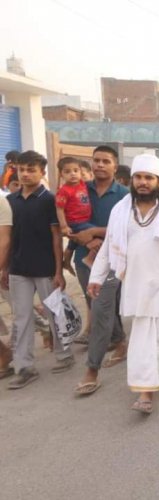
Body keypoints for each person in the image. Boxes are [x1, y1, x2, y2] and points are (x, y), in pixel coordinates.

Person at [87, 154, 159, 412]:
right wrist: (97, 277)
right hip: (136, 285)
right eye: (138, 177)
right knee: (143, 339)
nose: (143, 183)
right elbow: (108, 247)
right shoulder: (121, 210)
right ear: (132, 180)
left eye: (149, 178)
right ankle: (146, 391)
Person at [5, 151, 73, 389]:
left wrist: (58, 271)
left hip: (45, 268)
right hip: (18, 269)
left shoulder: (49, 200)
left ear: (42, 173)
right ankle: (24, 367)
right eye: (22, 169)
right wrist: (4, 268)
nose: (25, 174)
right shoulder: (9, 201)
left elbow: (56, 237)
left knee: (55, 313)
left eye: (31, 170)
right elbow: (7, 237)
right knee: (22, 319)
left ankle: (65, 355)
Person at [71, 146, 129, 392]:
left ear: (115, 166)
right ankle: (118, 340)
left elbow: (126, 228)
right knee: (98, 304)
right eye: (96, 161)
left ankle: (91, 370)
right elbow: (68, 222)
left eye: (106, 161)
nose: (100, 165)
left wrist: (95, 233)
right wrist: (84, 239)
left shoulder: (125, 195)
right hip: (84, 257)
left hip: (113, 259)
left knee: (101, 307)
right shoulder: (78, 191)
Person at [56, 157, 95, 274]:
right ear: (61, 174)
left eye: (76, 170)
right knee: (97, 235)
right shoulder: (64, 191)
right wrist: (63, 226)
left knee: (72, 245)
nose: (72, 174)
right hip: (76, 222)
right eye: (67, 172)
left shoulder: (83, 184)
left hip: (84, 220)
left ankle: (66, 262)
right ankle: (89, 258)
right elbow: (59, 209)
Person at [0, 196, 15, 379]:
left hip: (5, 264)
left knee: (21, 309)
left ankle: (47, 329)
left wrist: (3, 267)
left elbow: (5, 238)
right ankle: (3, 352)